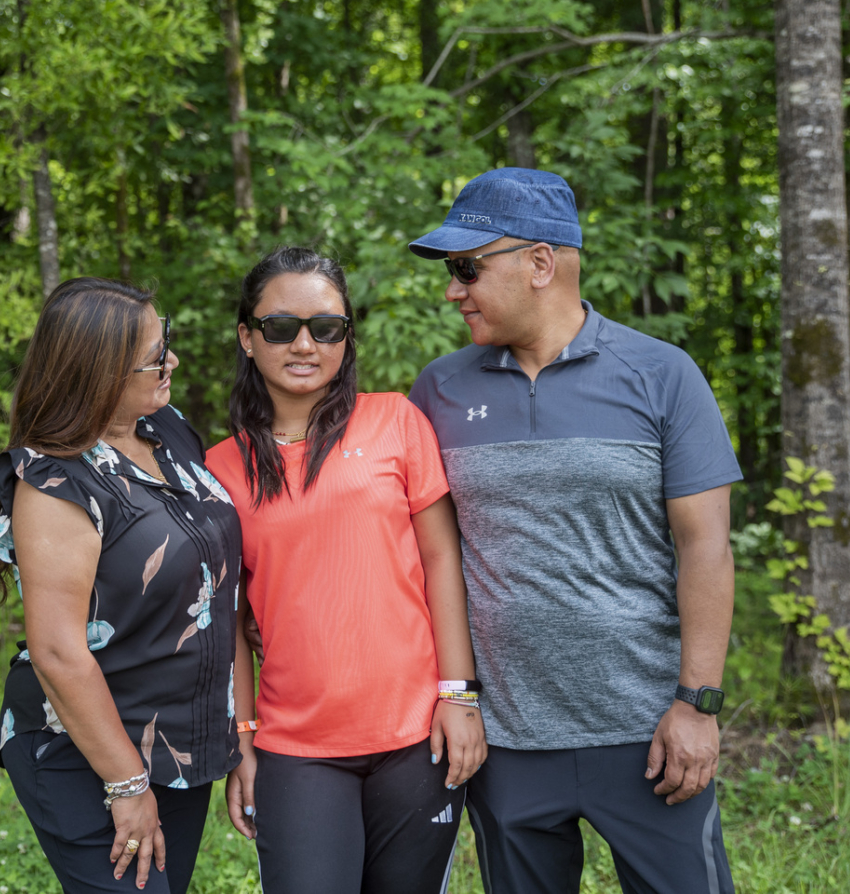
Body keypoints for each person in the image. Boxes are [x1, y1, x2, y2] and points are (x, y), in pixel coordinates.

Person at [405, 168, 742, 894]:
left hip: (649, 735)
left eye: (466, 268)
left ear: (540, 263)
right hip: (509, 741)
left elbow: (706, 549)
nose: (451, 290)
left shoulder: (663, 375)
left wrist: (697, 704)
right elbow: (417, 551)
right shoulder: (438, 390)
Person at [205, 246, 487, 894]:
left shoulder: (395, 420)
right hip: (295, 746)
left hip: (417, 737)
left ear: (346, 336)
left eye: (326, 327)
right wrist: (241, 738)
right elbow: (226, 620)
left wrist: (459, 693)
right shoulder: (219, 468)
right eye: (280, 327)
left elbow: (443, 559)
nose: (304, 343)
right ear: (247, 337)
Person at [0, 277, 242, 894]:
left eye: (165, 341)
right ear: (99, 373)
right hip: (88, 751)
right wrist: (127, 785)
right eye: (155, 355)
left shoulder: (167, 430)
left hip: (175, 744)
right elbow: (59, 651)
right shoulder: (55, 481)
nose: (171, 360)